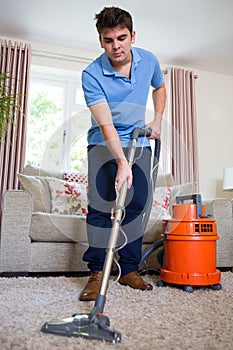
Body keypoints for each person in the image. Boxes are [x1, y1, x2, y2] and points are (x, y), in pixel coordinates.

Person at [79, 6, 166, 301]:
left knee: (138, 205)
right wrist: (120, 163)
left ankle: (129, 269)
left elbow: (160, 87)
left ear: (132, 36)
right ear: (100, 41)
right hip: (103, 144)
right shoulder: (91, 74)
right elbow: (106, 126)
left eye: (121, 37)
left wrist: (157, 118)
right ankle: (98, 271)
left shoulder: (149, 60)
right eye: (108, 40)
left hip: (140, 143)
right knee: (102, 205)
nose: (115, 46)